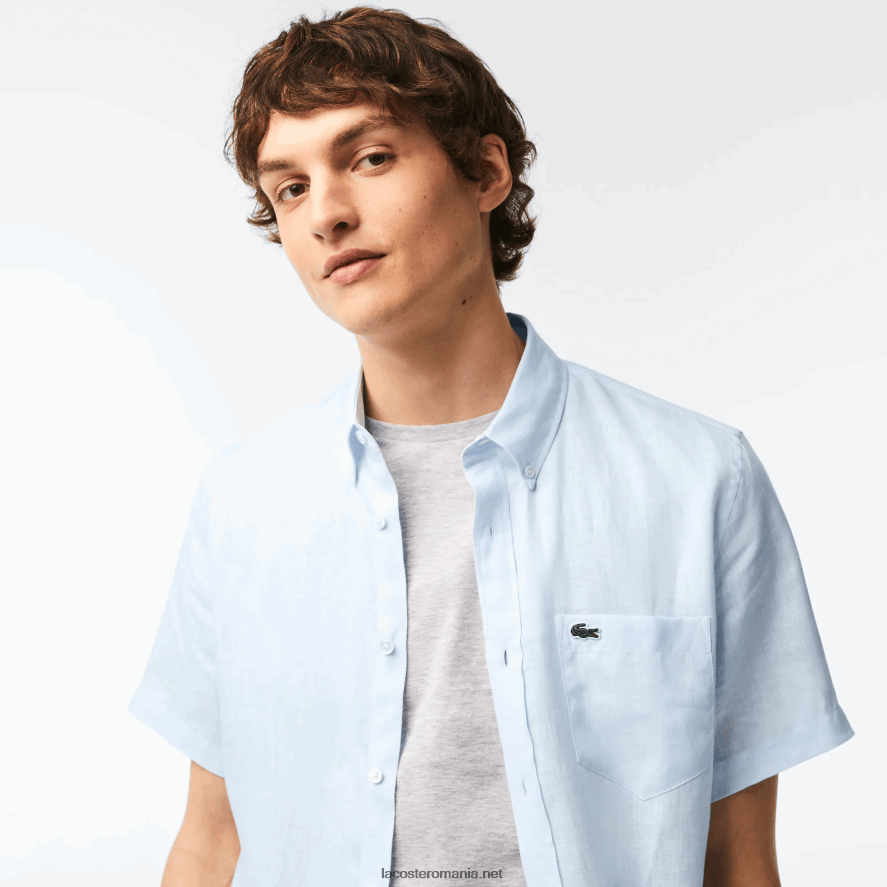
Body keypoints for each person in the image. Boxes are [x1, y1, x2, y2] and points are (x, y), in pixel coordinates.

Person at [128, 7, 854, 887]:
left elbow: (735, 862)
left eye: (369, 158)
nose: (326, 214)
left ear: (483, 171)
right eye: (289, 188)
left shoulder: (698, 480)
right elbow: (211, 843)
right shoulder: (242, 504)